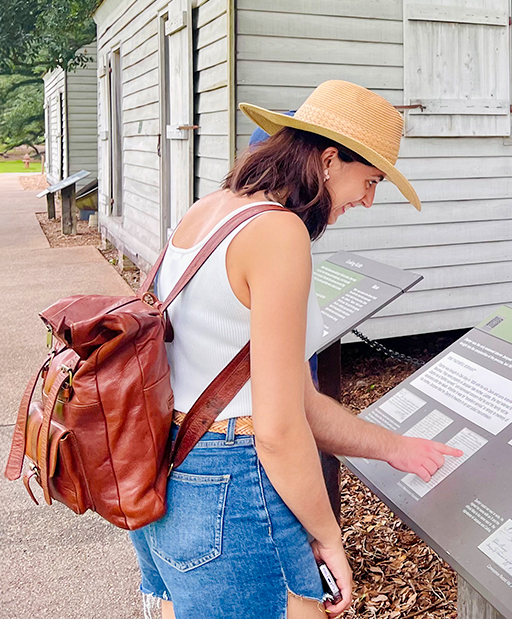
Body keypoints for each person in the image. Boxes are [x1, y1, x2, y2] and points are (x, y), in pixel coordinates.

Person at [131, 80, 460, 619]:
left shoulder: (208, 210)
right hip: (231, 482)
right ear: (330, 160)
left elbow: (285, 396)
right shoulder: (278, 234)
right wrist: (329, 538)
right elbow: (279, 428)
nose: (368, 199)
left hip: (168, 464)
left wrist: (394, 448)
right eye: (370, 180)